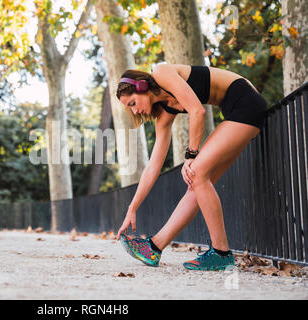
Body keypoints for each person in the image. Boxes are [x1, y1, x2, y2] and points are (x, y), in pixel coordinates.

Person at [115, 63, 268, 271]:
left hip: (246, 105)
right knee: (196, 183)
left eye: (133, 102)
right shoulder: (164, 115)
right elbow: (153, 166)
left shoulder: (161, 73)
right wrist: (132, 208)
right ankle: (154, 247)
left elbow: (198, 111)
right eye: (130, 108)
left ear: (142, 86)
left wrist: (191, 155)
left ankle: (221, 253)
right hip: (233, 111)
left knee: (195, 173)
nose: (134, 110)